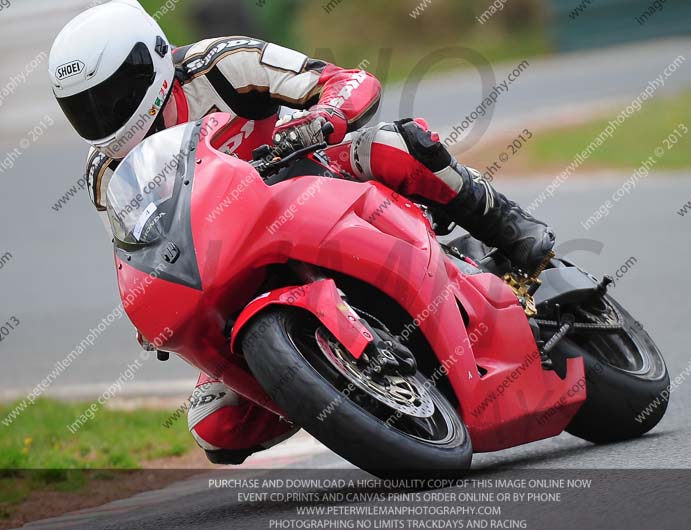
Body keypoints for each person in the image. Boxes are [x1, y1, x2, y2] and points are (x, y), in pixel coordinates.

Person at [49, 0, 555, 464]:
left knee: (395, 144)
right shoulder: (106, 172)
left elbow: (349, 82)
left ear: (153, 60)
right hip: (224, 254)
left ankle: (508, 226)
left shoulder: (219, 64)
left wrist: (322, 120)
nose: (102, 115)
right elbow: (136, 248)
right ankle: (323, 380)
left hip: (309, 175)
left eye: (111, 95)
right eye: (84, 107)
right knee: (214, 426)